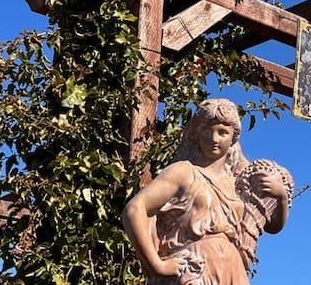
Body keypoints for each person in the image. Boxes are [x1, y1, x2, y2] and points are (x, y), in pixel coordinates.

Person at [123, 99, 289, 284]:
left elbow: (272, 226)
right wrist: (156, 264)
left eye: (223, 132)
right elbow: (135, 209)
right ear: (197, 134)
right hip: (196, 266)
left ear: (233, 138)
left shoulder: (237, 184)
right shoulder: (183, 171)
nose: (214, 139)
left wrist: (281, 197)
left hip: (234, 269)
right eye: (207, 131)